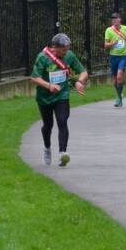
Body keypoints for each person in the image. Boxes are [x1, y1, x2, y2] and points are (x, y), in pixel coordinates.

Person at [29, 33, 88, 167]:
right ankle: (47, 148)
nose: (66, 51)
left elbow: (83, 72)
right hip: (44, 97)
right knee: (48, 125)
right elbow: (33, 78)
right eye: (63, 49)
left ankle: (63, 153)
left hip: (62, 95)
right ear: (55, 47)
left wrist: (80, 82)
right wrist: (49, 86)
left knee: (62, 120)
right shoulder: (43, 57)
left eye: (67, 48)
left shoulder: (70, 56)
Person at [104, 12, 126, 107]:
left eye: (117, 19)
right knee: (114, 79)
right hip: (113, 56)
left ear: (120, 19)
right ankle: (119, 95)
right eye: (113, 19)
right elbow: (105, 45)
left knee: (120, 75)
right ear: (112, 21)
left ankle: (119, 98)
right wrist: (112, 43)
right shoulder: (109, 30)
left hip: (124, 56)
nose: (115, 21)